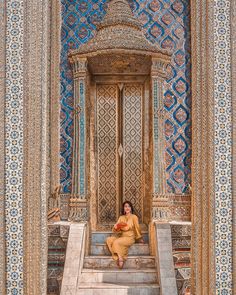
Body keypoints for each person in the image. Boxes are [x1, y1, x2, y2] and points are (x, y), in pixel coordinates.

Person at [106, 201, 144, 269]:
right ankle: (117, 256)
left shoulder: (134, 217)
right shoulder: (121, 217)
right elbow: (117, 230)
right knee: (109, 240)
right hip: (122, 236)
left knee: (116, 242)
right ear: (123, 208)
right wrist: (116, 227)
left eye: (129, 206)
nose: (127, 208)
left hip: (130, 237)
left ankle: (120, 259)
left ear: (131, 208)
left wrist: (139, 238)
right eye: (125, 206)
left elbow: (137, 228)